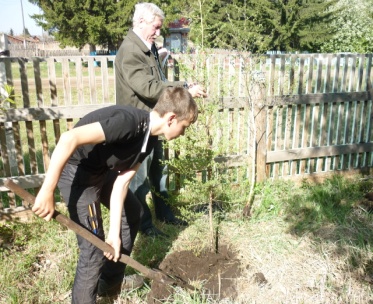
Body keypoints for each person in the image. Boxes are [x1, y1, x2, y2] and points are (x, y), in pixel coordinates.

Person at [32, 87, 198, 304]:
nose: (183, 133)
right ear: (171, 118)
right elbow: (68, 138)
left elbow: (121, 183)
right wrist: (47, 190)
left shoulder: (150, 139)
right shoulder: (128, 122)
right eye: (184, 127)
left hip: (100, 171)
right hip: (77, 171)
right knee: (92, 248)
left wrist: (115, 234)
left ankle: (109, 284)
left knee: (133, 212)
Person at [115, 2, 207, 237]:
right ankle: (144, 226)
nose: (158, 32)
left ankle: (165, 214)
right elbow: (148, 87)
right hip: (138, 125)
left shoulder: (148, 47)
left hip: (154, 123)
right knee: (139, 180)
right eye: (155, 27)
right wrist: (184, 87)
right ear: (141, 22)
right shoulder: (131, 51)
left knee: (159, 173)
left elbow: (158, 81)